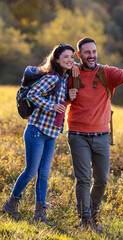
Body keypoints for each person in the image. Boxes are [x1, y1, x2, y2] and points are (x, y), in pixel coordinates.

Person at [67, 37, 123, 232]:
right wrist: (70, 68)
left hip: (102, 135)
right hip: (78, 134)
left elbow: (122, 74)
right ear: (79, 55)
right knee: (83, 179)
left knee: (102, 180)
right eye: (87, 52)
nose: (91, 55)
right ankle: (84, 220)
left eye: (94, 51)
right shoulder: (71, 73)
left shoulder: (106, 73)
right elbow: (58, 63)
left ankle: (93, 214)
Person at [2, 44, 75, 225]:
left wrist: (68, 97)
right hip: (36, 130)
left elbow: (58, 98)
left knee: (44, 175)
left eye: (72, 57)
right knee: (31, 171)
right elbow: (33, 94)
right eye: (66, 56)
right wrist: (51, 106)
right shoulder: (52, 77)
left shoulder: (64, 79)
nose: (70, 60)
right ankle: (10, 205)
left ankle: (39, 214)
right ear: (57, 59)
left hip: (51, 133)